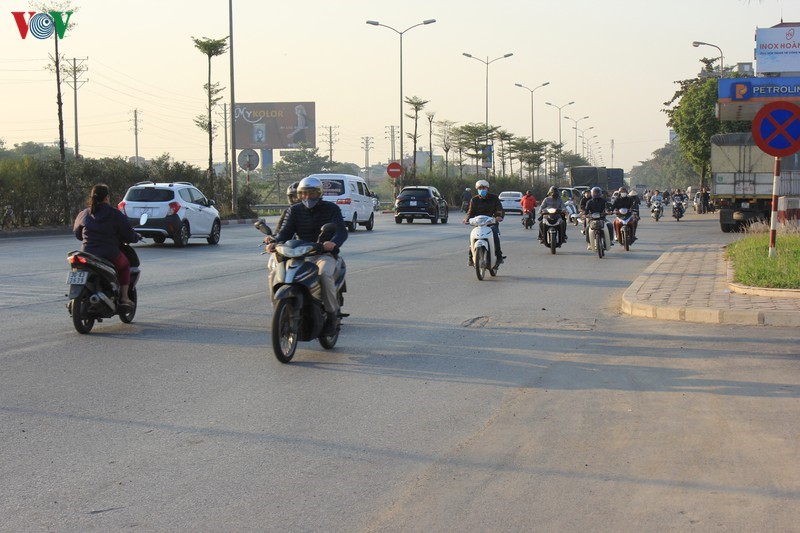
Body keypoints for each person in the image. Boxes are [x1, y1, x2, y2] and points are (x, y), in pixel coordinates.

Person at [268, 176, 348, 334]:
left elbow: (341, 231)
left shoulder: (331, 209)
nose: (307, 197)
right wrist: (275, 241)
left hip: (323, 254)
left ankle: (332, 315)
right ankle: (279, 309)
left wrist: (333, 243)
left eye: (311, 193)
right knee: (275, 274)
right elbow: (285, 232)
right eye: (303, 194)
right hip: (299, 253)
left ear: (319, 193)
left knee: (324, 274)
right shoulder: (294, 210)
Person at [72, 184, 140, 309]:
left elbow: (77, 233)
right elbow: (128, 235)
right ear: (107, 197)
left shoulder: (84, 213)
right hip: (109, 254)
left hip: (87, 253)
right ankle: (124, 297)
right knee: (125, 265)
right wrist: (136, 237)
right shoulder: (115, 214)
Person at [463, 179, 505, 266]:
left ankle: (499, 256)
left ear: (487, 189)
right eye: (480, 188)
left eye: (484, 188)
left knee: (494, 234)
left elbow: (500, 209)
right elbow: (470, 212)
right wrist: (467, 219)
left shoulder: (494, 198)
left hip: (491, 223)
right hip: (479, 224)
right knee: (472, 236)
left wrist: (498, 217)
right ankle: (470, 258)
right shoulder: (474, 200)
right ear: (477, 189)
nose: (482, 190)